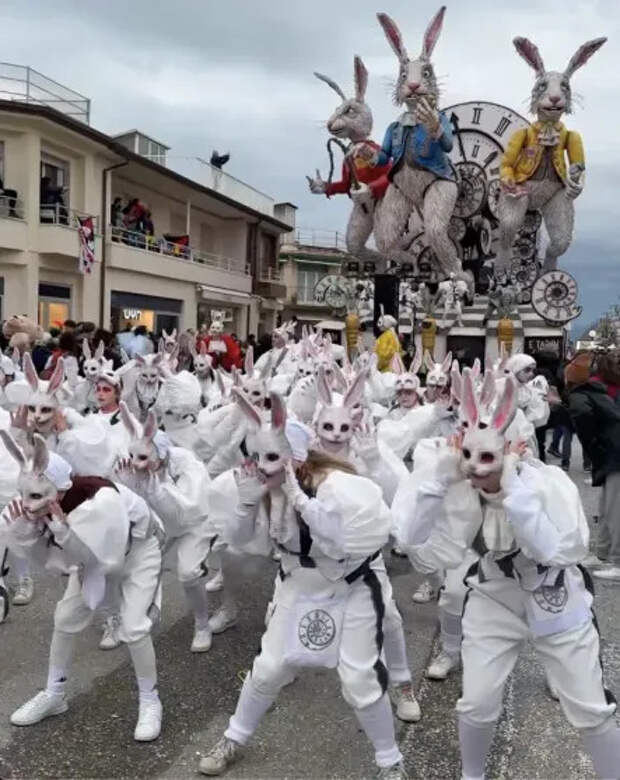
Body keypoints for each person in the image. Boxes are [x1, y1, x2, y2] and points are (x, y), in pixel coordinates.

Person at [568, 349, 620, 580]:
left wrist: (595, 448)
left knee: (614, 509)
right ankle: (602, 553)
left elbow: (584, 421)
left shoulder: (585, 392)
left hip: (615, 454)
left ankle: (617, 561)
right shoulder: (601, 389)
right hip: (613, 453)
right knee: (607, 507)